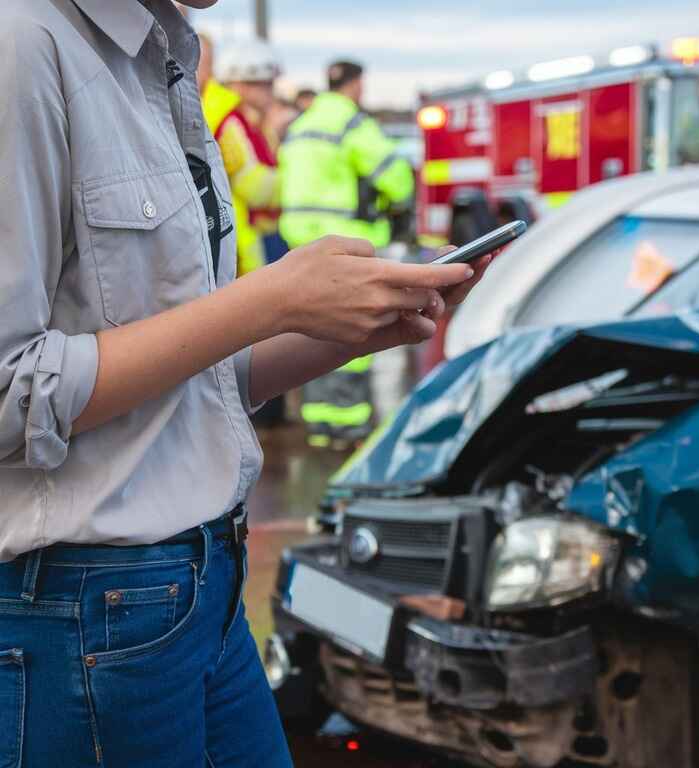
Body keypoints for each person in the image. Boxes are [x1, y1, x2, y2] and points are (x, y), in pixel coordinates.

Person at [0, 1, 495, 766]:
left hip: (206, 594)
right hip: (85, 613)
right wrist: (268, 299)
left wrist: (354, 327)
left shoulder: (158, 58)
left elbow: (188, 380)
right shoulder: (22, 43)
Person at [279, 59, 415, 448]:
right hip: (348, 241)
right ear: (356, 86)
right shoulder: (352, 124)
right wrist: (399, 200)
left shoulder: (301, 126)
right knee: (351, 333)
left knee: (310, 328)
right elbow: (396, 177)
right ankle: (350, 426)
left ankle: (321, 427)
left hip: (300, 242)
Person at [201, 39, 284, 275]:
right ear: (240, 84)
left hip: (261, 232)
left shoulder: (251, 121)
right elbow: (253, 187)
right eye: (264, 84)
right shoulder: (230, 122)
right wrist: (294, 182)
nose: (271, 90)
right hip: (244, 240)